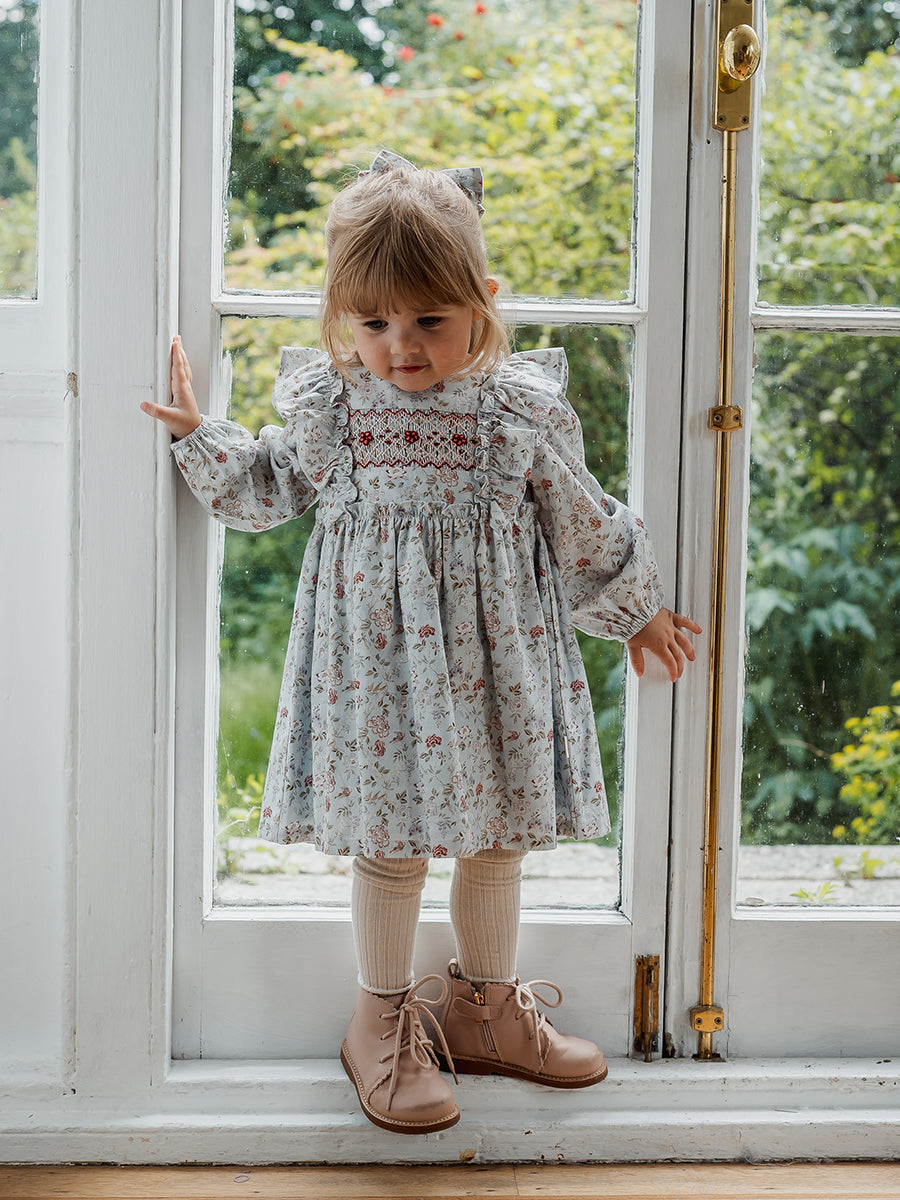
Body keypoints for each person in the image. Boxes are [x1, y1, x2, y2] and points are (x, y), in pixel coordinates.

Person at [141, 150, 701, 1135]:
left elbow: (578, 517)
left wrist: (636, 605)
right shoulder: (336, 407)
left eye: (429, 322)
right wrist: (199, 435)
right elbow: (269, 485)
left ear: (484, 303)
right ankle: (380, 1019)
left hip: (498, 663)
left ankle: (485, 1010)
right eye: (374, 324)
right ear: (343, 318)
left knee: (498, 838)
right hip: (378, 672)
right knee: (390, 843)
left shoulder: (518, 408)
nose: (400, 347)